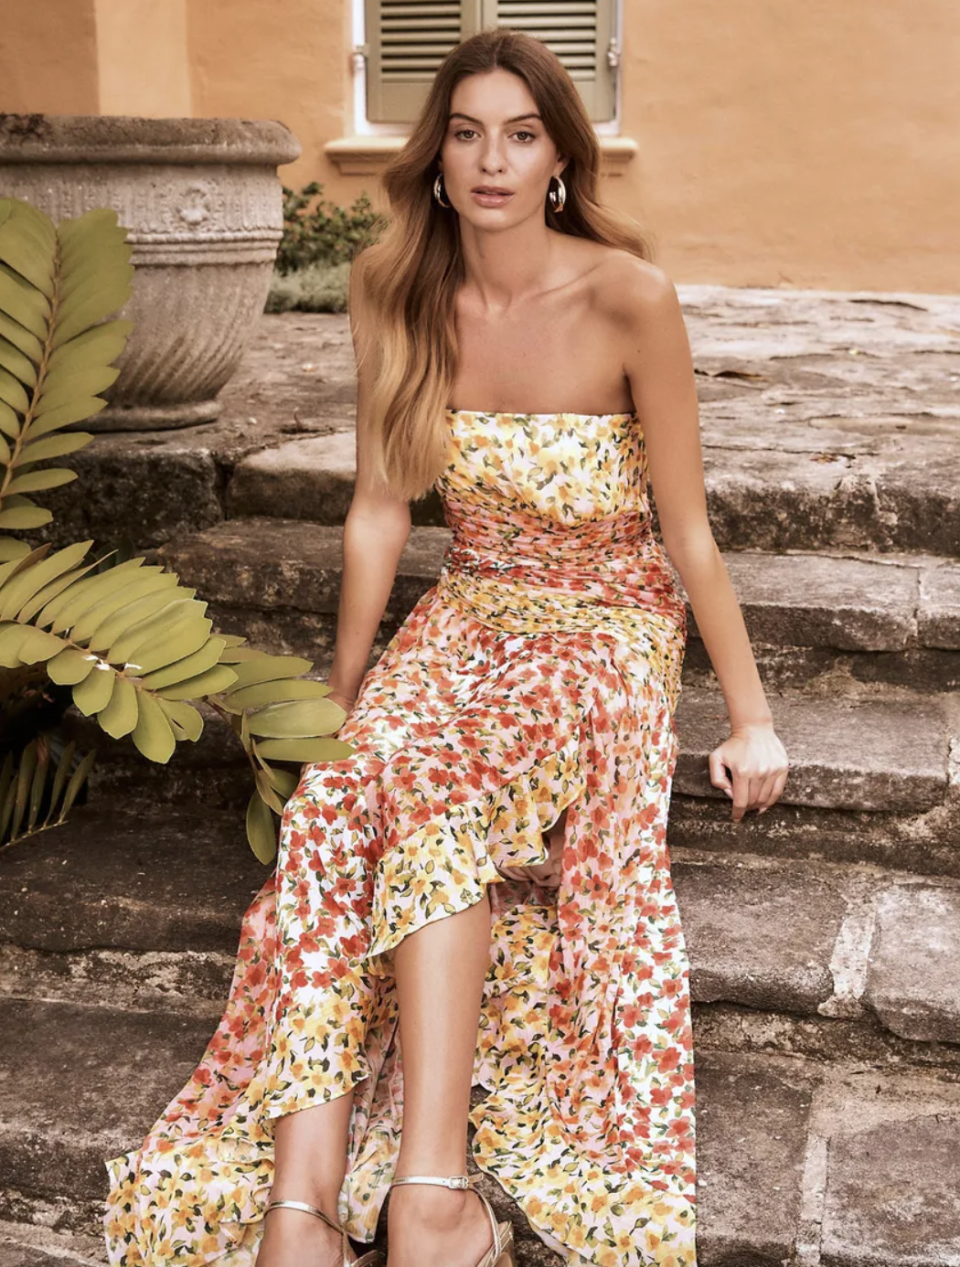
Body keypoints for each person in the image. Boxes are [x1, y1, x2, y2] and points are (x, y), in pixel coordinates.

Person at [103, 27, 789, 1267]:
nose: (491, 160)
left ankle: (429, 1189)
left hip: (606, 627)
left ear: (559, 160)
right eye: (467, 132)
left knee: (437, 794)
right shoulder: (392, 288)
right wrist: (347, 690)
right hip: (470, 608)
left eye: (520, 136)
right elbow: (378, 504)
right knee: (336, 801)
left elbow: (686, 528)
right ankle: (299, 1210)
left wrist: (749, 716)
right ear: (436, 155)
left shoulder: (629, 298)